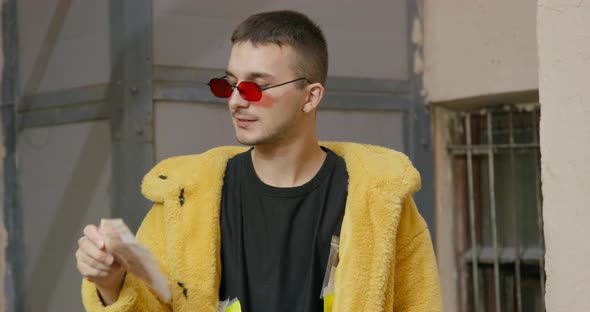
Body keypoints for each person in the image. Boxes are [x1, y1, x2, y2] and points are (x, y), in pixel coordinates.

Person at [76, 10, 442, 312]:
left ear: (310, 96)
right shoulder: (184, 200)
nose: (235, 101)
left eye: (254, 87)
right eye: (228, 85)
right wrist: (111, 284)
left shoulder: (381, 203)